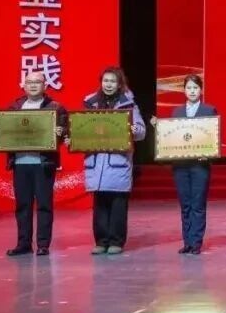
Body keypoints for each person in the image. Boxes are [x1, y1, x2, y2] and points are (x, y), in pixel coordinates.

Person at [0, 71, 68, 257]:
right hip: (20, 163)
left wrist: (61, 131)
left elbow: (66, 131)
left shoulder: (56, 107)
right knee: (22, 205)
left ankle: (43, 244)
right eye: (29, 82)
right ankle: (23, 243)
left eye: (37, 82)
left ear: (45, 86)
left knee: (44, 205)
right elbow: (6, 131)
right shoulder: (15, 107)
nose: (33, 85)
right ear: (23, 86)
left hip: (43, 163)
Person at [81, 66, 146, 255]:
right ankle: (101, 241)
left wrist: (134, 130)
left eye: (112, 81)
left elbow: (141, 131)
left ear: (119, 84)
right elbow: (81, 129)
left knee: (118, 204)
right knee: (100, 204)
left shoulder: (128, 104)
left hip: (118, 161)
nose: (108, 84)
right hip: (97, 161)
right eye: (105, 81)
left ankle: (116, 241)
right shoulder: (91, 103)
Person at [150, 74, 217, 255]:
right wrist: (160, 128)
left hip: (200, 165)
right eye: (189, 88)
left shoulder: (209, 110)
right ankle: (187, 242)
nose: (192, 91)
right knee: (185, 204)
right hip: (180, 165)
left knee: (198, 204)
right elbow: (172, 137)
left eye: (195, 88)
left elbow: (213, 138)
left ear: (201, 90)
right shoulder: (177, 112)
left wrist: (208, 156)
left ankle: (196, 242)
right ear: (184, 90)